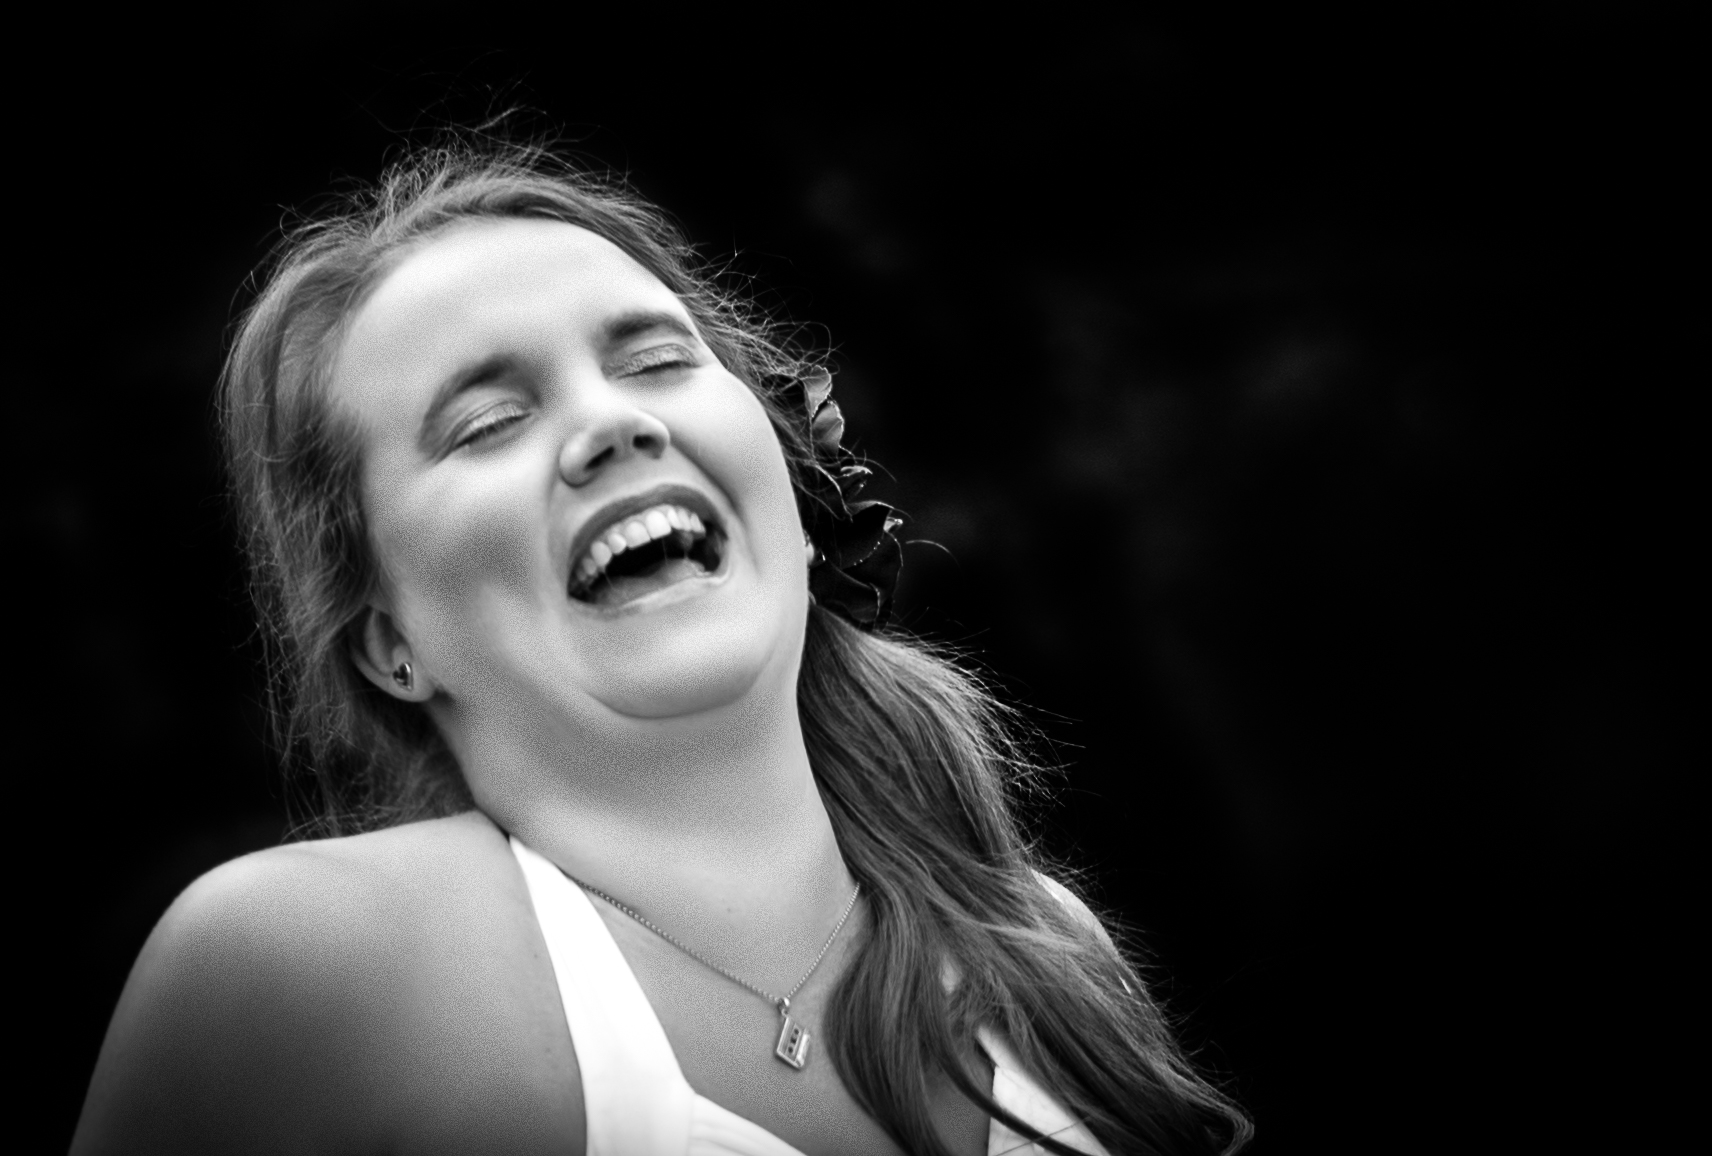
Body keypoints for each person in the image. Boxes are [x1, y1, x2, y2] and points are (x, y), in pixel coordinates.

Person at [71, 142, 1250, 1156]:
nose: (612, 421)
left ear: (791, 495)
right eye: (487, 421)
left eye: (654, 360)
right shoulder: (294, 969)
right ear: (389, 643)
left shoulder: (1040, 950)